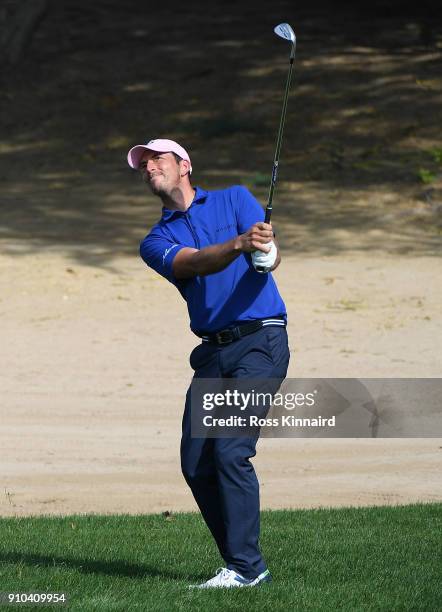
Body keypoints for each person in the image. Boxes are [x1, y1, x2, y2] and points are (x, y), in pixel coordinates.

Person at [127, 138, 290, 588]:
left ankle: (244, 569)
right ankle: (242, 565)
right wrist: (240, 243)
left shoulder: (236, 197)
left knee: (231, 449)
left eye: (156, 159)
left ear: (184, 165)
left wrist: (264, 249)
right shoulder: (155, 241)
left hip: (260, 340)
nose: (148, 168)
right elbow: (196, 263)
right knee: (197, 461)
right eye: (143, 165)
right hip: (214, 354)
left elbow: (268, 257)